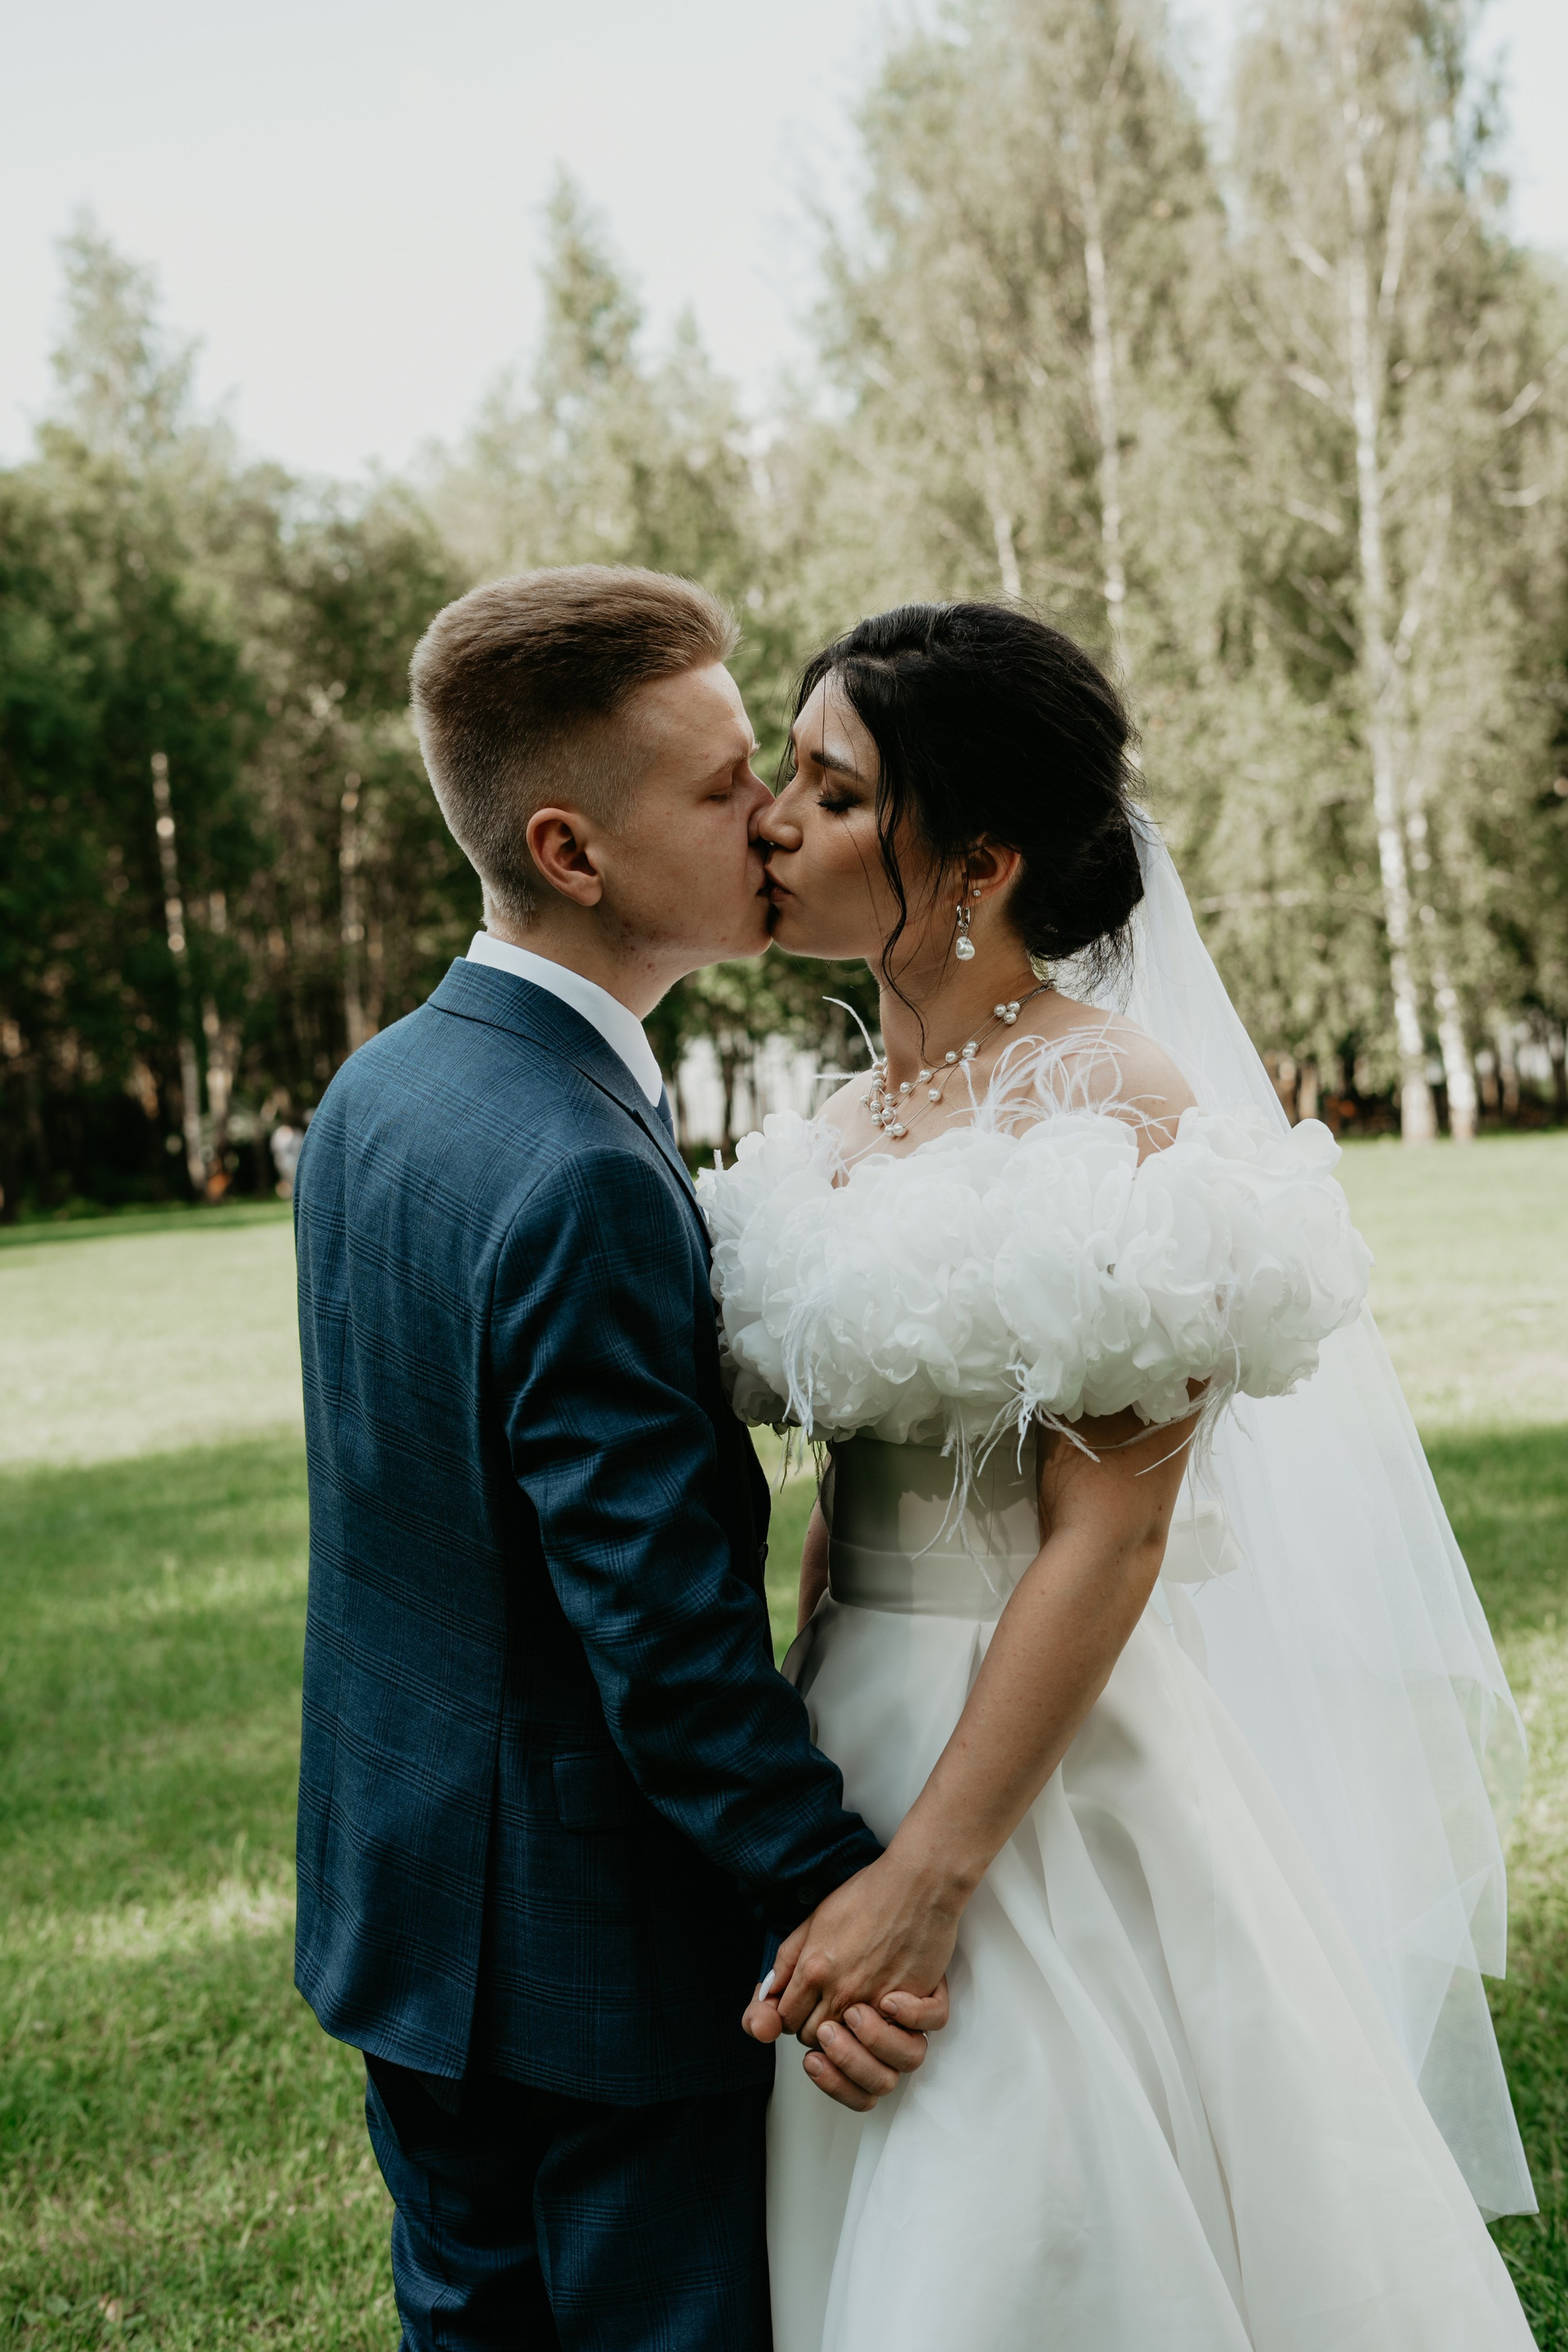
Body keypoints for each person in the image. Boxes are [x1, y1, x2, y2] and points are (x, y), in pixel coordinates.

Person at [702, 601, 1538, 2350]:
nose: (770, 821)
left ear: (978, 864)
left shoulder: (1111, 1102)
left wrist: (929, 1880)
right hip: (845, 1720)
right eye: (786, 775)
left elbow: (1113, 1538)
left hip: (1039, 1760)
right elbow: (848, 1501)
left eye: (834, 794)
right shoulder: (840, 1119)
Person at [290, 567, 945, 2352]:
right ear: (572, 853)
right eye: (725, 783)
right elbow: (656, 1627)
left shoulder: (382, 1088)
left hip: (410, 1916)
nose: (775, 814)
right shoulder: (576, 1163)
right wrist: (835, 1899)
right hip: (592, 1950)